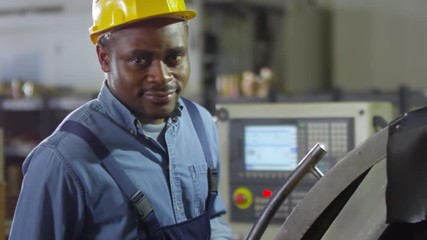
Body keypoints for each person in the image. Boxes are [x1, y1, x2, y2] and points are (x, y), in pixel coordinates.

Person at [9, 0, 232, 239]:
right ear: (104, 58)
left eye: (174, 57)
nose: (162, 76)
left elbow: (213, 218)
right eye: (140, 60)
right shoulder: (62, 160)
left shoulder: (202, 126)